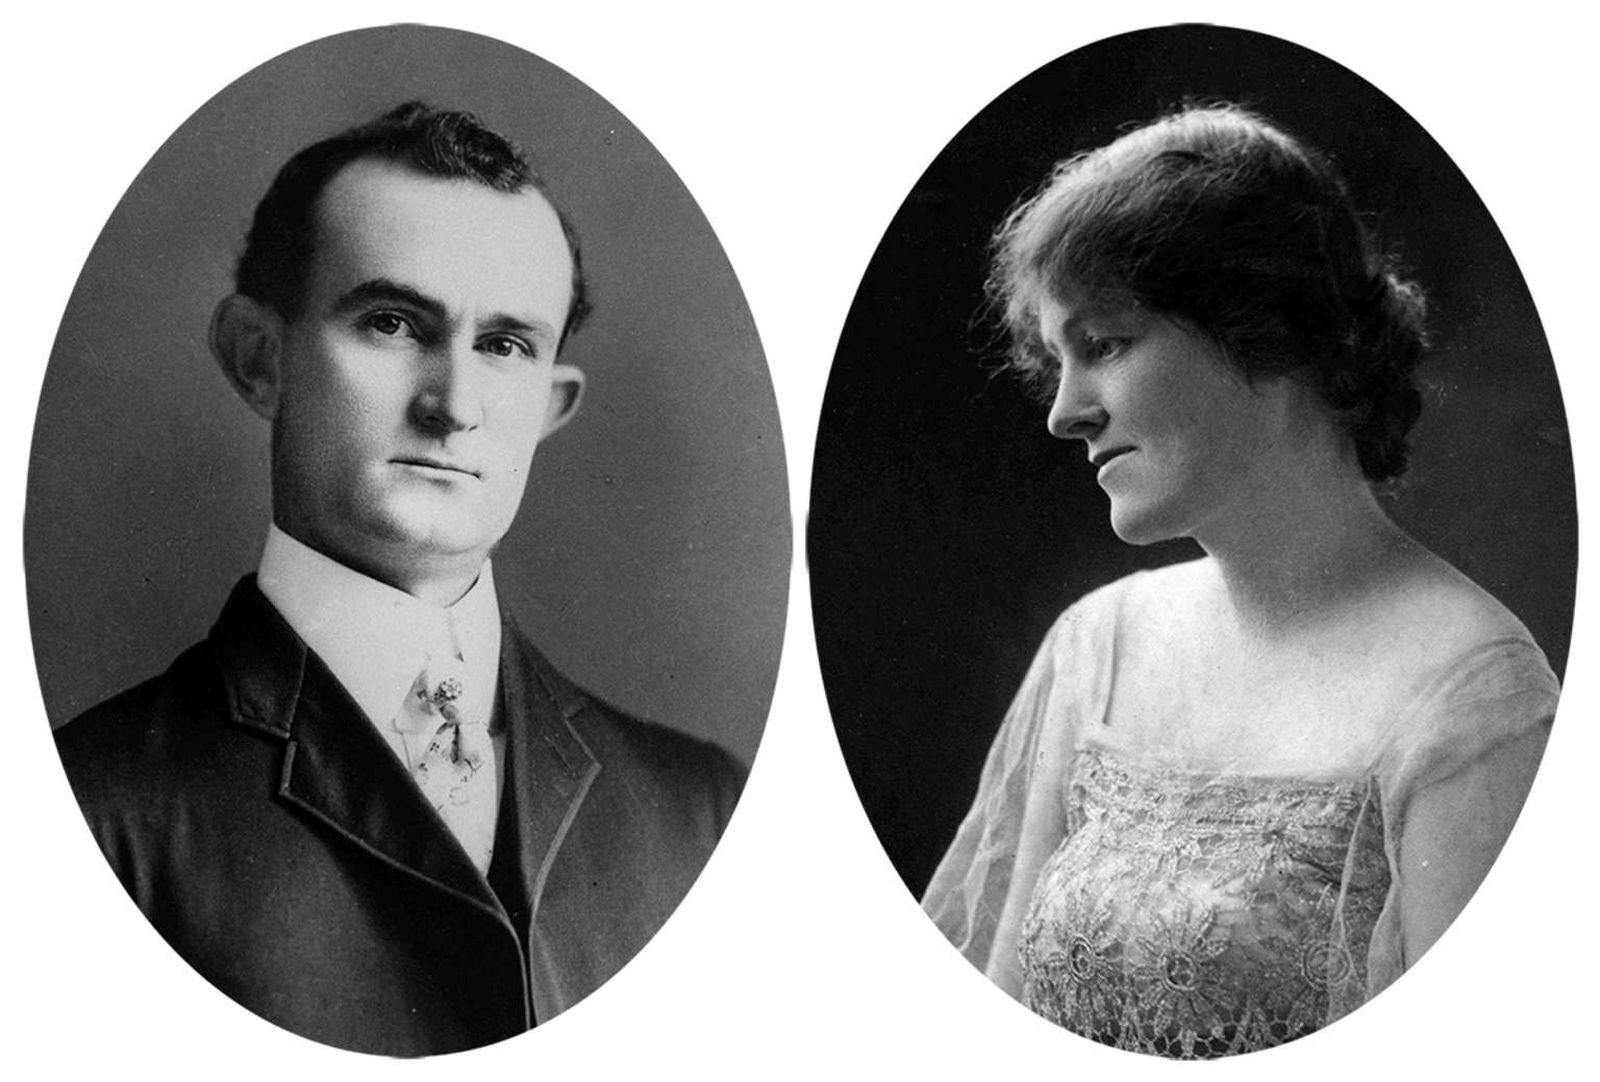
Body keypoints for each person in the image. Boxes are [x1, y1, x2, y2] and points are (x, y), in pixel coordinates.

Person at [54, 101, 744, 1056]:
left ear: (550, 406)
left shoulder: (698, 811)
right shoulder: (86, 814)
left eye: (504, 347)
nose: (454, 404)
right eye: (390, 322)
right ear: (259, 358)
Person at [921, 105, 1559, 1058]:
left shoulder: (1478, 697)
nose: (1062, 413)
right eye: (1056, 359)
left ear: (1259, 328)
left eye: (1103, 345)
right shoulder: (1098, 646)